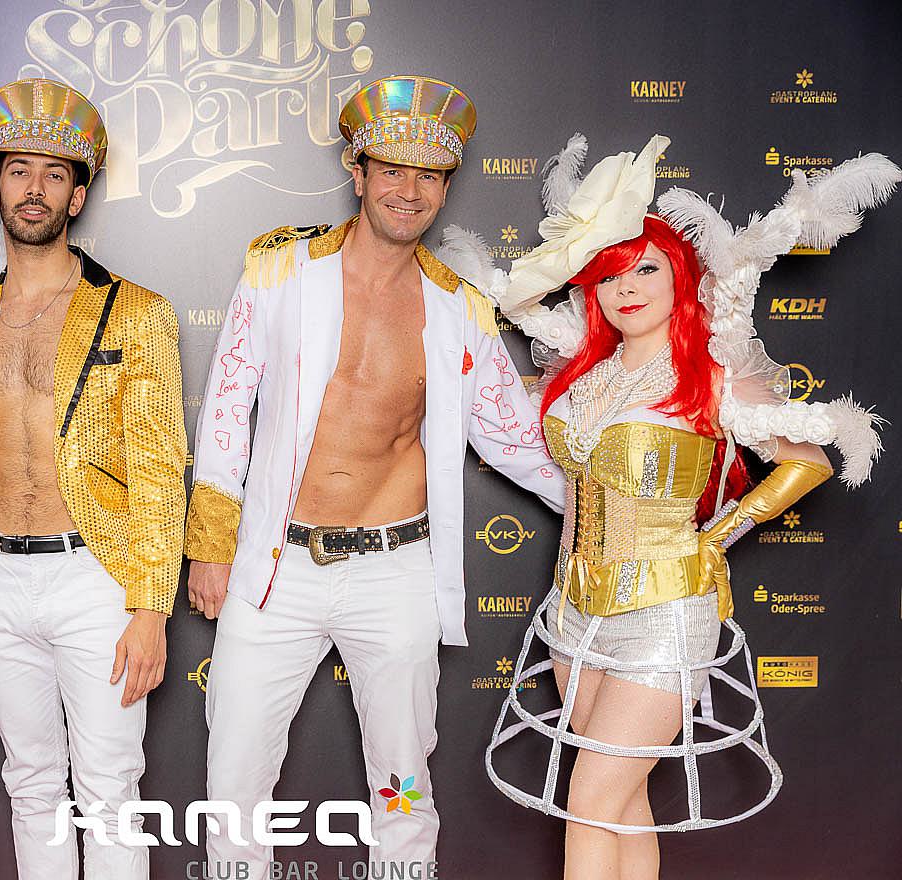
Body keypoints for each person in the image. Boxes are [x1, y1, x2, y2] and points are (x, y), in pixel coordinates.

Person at [478, 135, 897, 879]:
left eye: (646, 268)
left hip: (665, 612)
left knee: (589, 801)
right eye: (610, 273)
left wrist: (717, 536)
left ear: (679, 276)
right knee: (624, 800)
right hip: (573, 610)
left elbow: (809, 462)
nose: (627, 287)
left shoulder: (712, 373)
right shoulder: (582, 376)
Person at [184, 75, 564, 876]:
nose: (408, 191)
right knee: (235, 781)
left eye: (428, 176)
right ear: (357, 174)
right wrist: (211, 540)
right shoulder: (280, 272)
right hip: (275, 566)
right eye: (391, 170)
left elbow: (514, 439)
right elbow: (227, 404)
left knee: (402, 783)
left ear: (447, 188)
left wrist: (619, 511)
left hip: (395, 570)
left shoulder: (460, 309)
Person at [0, 78, 187, 880]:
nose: (35, 188)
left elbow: (159, 471)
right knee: (31, 785)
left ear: (78, 196)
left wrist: (150, 608)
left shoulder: (135, 312)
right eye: (20, 171)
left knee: (110, 790)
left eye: (55, 174)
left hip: (95, 578)